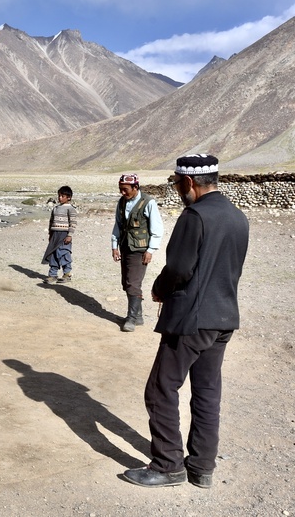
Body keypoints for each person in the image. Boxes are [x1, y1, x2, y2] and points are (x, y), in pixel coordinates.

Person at [123, 154, 249, 488]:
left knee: (161, 388)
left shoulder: (195, 216)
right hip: (224, 318)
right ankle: (202, 468)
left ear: (189, 182)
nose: (178, 190)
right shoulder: (238, 216)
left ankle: (168, 466)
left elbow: (179, 268)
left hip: (191, 320)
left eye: (178, 183)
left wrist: (158, 289)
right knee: (207, 392)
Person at [111, 173, 164, 332]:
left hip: (140, 250)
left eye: (125, 189)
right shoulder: (121, 202)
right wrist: (114, 246)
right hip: (125, 247)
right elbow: (118, 225)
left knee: (133, 283)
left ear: (135, 187)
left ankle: (132, 318)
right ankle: (138, 316)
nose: (122, 192)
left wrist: (150, 250)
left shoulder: (148, 202)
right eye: (120, 189)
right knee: (126, 282)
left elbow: (157, 229)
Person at [42, 185, 77, 283]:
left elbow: (73, 223)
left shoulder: (70, 209)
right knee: (53, 254)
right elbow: (51, 221)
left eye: (62, 196)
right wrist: (50, 234)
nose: (60, 198)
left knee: (64, 253)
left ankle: (67, 274)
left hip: (64, 234)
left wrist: (69, 235)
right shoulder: (56, 208)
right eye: (59, 196)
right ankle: (52, 275)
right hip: (55, 234)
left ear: (68, 197)